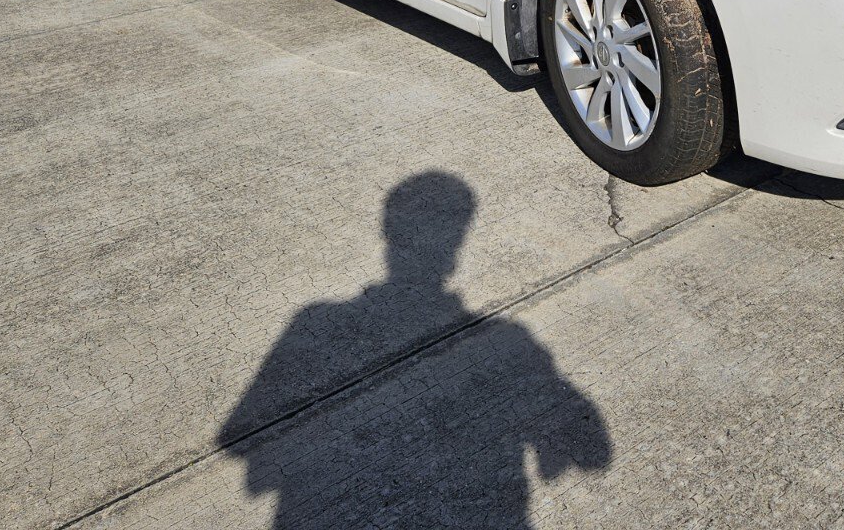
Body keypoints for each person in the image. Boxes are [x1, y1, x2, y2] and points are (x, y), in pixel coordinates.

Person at [221, 171, 611, 527]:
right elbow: (594, 455)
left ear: (388, 236)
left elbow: (243, 454)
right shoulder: (513, 338)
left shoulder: (313, 319)